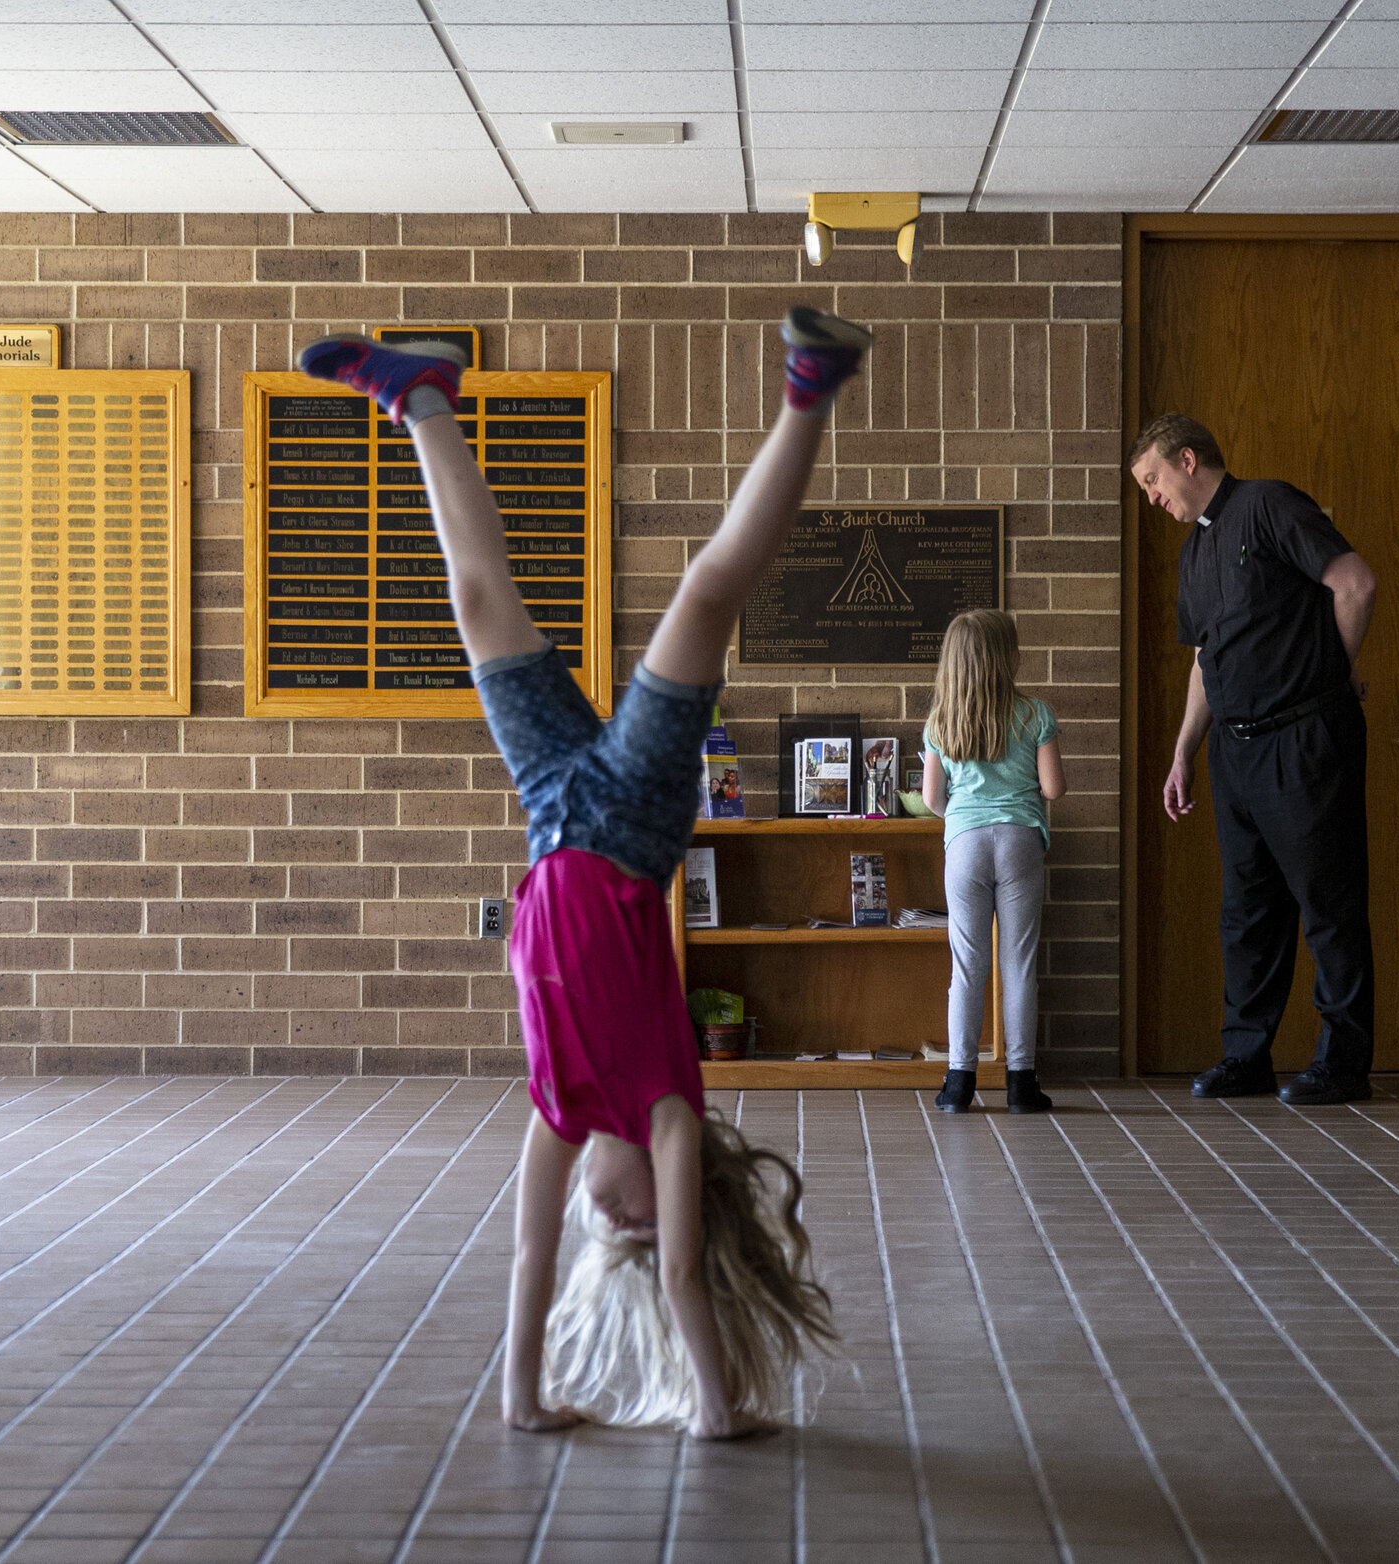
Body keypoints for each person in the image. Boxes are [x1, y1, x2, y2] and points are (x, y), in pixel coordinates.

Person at [296, 311, 864, 1438]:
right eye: (636, 1224)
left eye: (611, 1230)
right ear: (678, 1196)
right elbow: (689, 1278)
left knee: (473, 603)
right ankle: (813, 386)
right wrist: (714, 1409)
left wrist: (523, 1397)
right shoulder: (664, 1108)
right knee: (705, 593)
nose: (608, 1215)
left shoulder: (559, 1114)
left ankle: (419, 399)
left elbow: (525, 1250)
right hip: (638, 816)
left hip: (554, 807)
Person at [1129, 413, 1378, 1106]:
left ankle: (1344, 1063)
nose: (1151, 498)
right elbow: (1206, 660)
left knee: (1327, 903)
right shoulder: (1194, 553)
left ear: (1185, 460)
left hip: (1303, 739)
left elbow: (1355, 583)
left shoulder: (1267, 504)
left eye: (1151, 481)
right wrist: (1184, 750)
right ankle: (1247, 1056)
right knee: (1247, 913)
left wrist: (1328, 674)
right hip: (1235, 753)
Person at [920, 608, 1065, 1114]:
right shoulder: (1036, 714)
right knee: (1018, 963)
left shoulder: (941, 721)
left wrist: (965, 812)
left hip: (964, 843)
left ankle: (958, 1081)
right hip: (1021, 840)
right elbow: (1053, 788)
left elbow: (933, 798)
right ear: (1008, 658)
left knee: (967, 964)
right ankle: (1021, 1082)